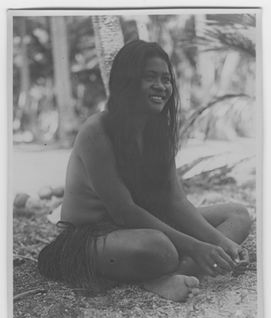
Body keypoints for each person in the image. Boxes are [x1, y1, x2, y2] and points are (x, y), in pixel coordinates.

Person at [38, 40, 251, 302]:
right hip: (92, 236)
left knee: (238, 215)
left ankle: (168, 275)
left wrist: (221, 243)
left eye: (166, 79)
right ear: (127, 82)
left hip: (146, 225)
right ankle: (161, 273)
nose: (161, 86)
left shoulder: (158, 131)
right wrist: (197, 246)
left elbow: (175, 201)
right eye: (150, 77)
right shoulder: (97, 131)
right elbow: (124, 211)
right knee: (160, 247)